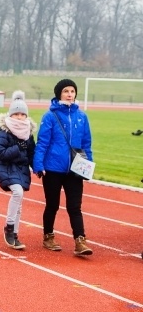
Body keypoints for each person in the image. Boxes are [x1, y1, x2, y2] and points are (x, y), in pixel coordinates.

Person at [32, 79, 94, 256]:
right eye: (66, 91)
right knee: (52, 205)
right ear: (59, 93)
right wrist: (38, 164)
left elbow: (86, 143)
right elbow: (42, 142)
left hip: (75, 168)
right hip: (53, 168)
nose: (69, 94)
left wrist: (88, 165)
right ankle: (48, 236)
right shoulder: (50, 116)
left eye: (72, 91)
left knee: (75, 207)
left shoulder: (82, 117)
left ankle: (80, 241)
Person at [0, 91, 36, 250]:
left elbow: (32, 153)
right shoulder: (4, 132)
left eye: (22, 114)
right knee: (17, 193)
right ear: (10, 114)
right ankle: (9, 227)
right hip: (6, 167)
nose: (19, 117)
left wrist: (38, 168)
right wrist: (17, 148)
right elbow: (1, 153)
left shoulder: (28, 133)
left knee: (19, 202)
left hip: (21, 169)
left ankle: (14, 235)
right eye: (16, 114)